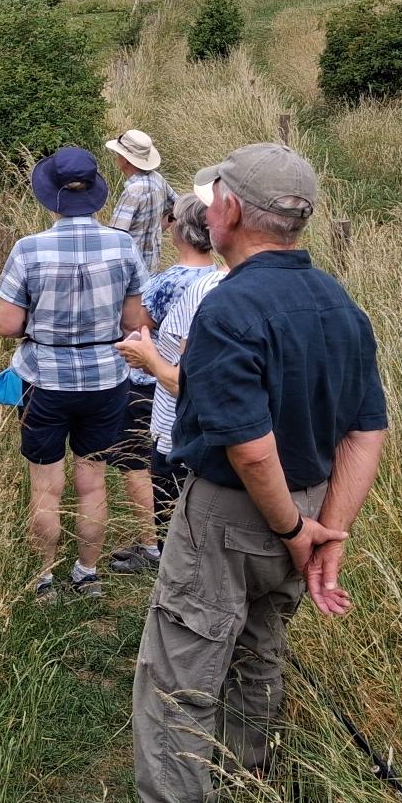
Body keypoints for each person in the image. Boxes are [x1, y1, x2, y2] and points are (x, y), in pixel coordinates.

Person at [84, 144, 388, 803]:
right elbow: (365, 431)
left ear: (227, 210)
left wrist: (291, 526)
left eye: (214, 195)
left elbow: (250, 449)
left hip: (235, 512)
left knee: (182, 663)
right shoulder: (339, 305)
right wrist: (326, 532)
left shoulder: (232, 308)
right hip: (309, 503)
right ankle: (241, 789)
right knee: (259, 649)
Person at [0, 147, 152, 604]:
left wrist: (39, 324)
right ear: (96, 195)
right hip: (106, 377)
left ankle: (44, 577)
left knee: (46, 484)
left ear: (52, 199)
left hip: (44, 377)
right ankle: (87, 573)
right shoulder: (122, 245)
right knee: (93, 479)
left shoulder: (29, 249)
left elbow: (8, 325)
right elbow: (134, 319)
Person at [111, 192, 224, 570]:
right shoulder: (221, 278)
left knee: (142, 460)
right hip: (200, 400)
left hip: (158, 383)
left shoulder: (165, 282)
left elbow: (136, 324)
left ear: (179, 231)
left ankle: (156, 546)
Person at [105, 129, 176, 274]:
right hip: (152, 267)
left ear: (125, 159)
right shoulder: (157, 178)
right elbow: (177, 207)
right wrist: (156, 230)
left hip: (131, 271)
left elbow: (116, 237)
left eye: (118, 154)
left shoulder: (133, 191)